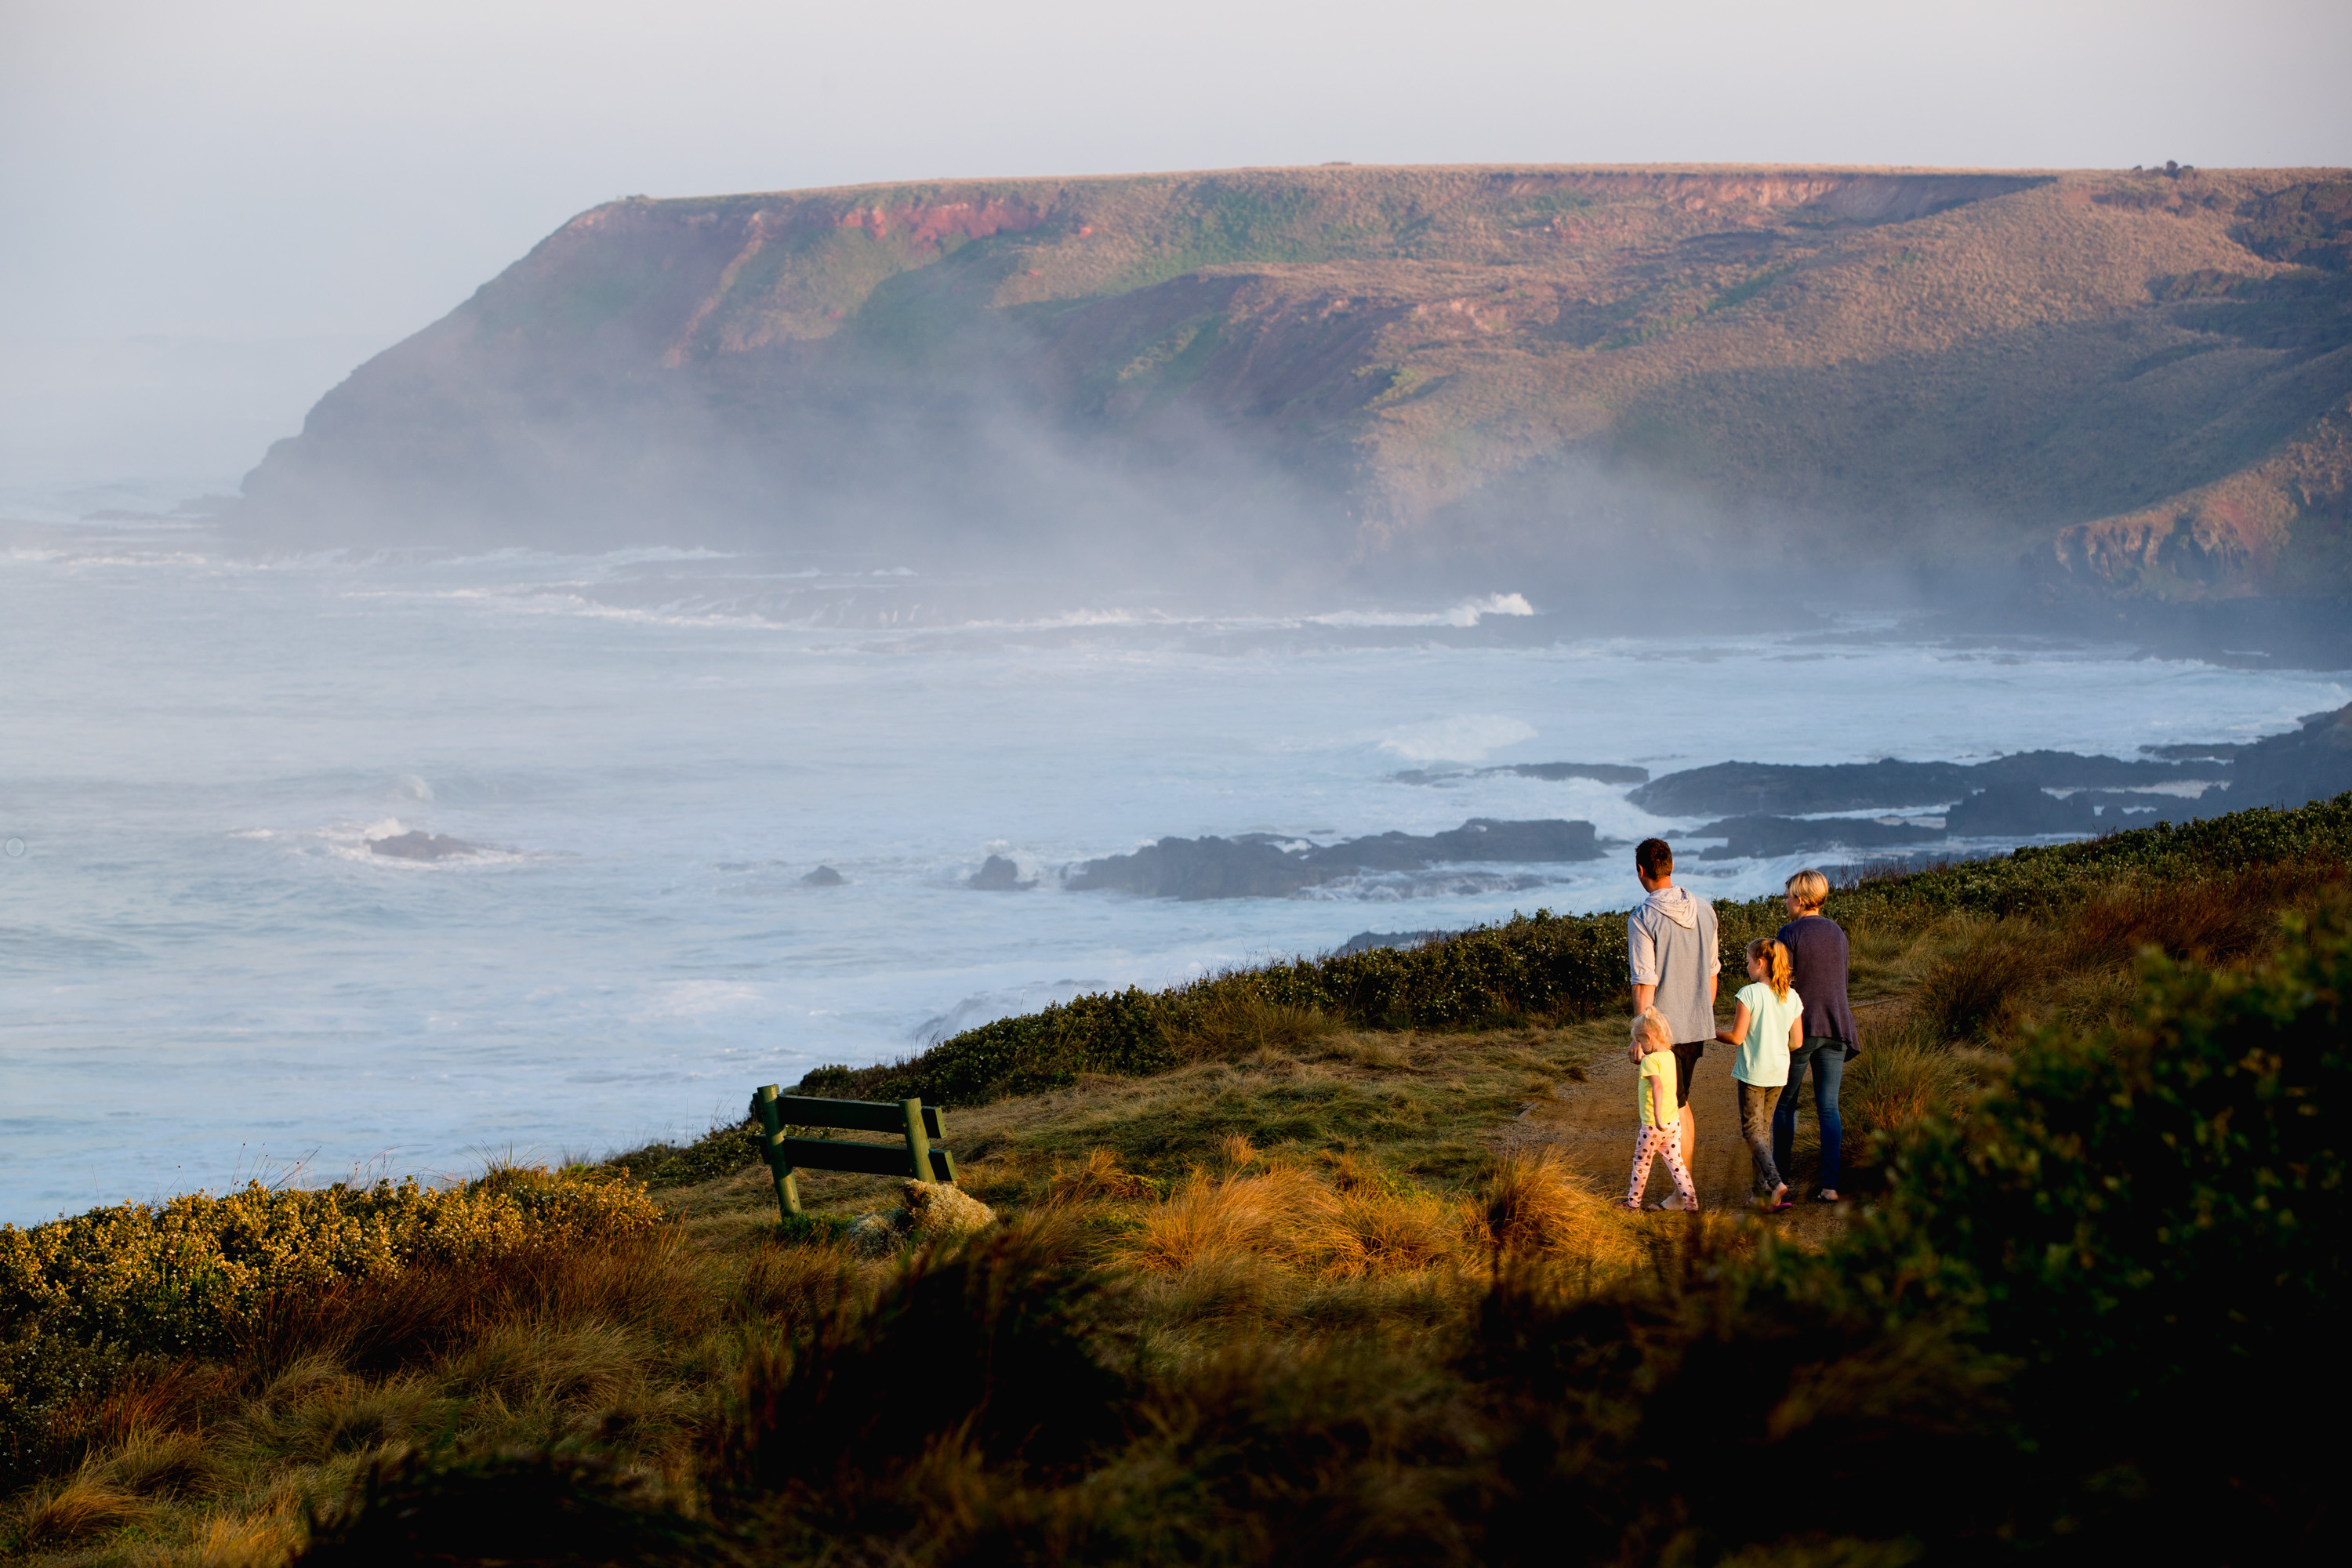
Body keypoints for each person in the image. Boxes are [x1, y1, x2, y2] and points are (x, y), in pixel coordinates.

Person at [1628, 837, 1719, 1170]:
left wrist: (1641, 1036)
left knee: (1674, 1109)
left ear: (1641, 871)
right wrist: (1701, 1015)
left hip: (1663, 1032)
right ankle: (1685, 1191)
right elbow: (1712, 974)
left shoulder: (1642, 918)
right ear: (1671, 866)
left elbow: (1644, 981)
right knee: (1680, 1104)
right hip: (1696, 1025)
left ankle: (1684, 1194)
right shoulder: (1706, 909)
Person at [1773, 869, 1860, 1202]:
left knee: (1785, 1105)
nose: (1785, 902)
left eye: (1787, 896)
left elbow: (1781, 986)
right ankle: (1830, 1186)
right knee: (1829, 1108)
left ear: (1799, 898)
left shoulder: (1789, 932)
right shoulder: (1838, 933)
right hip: (1837, 1027)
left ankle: (1780, 1184)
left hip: (1801, 1029)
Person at [1717, 937, 1802, 1210]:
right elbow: (1797, 1042)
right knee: (1762, 1133)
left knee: (1752, 1132)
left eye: (1748, 962)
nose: (1747, 967)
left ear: (1761, 963)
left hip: (1754, 1073)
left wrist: (1709, 1032)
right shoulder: (1791, 996)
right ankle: (1758, 1195)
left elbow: (1737, 1037)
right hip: (1779, 1073)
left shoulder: (1749, 993)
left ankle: (1775, 1183)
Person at [1621, 1007, 1699, 1211]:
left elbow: (1656, 1086)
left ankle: (1633, 1204)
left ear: (1649, 1036)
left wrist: (1656, 1115)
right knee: (1677, 1163)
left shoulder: (1650, 1061)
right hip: (1673, 1123)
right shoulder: (1670, 1056)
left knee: (1641, 1162)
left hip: (1653, 1125)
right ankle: (1691, 1202)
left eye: (1640, 1041)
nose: (1641, 1046)